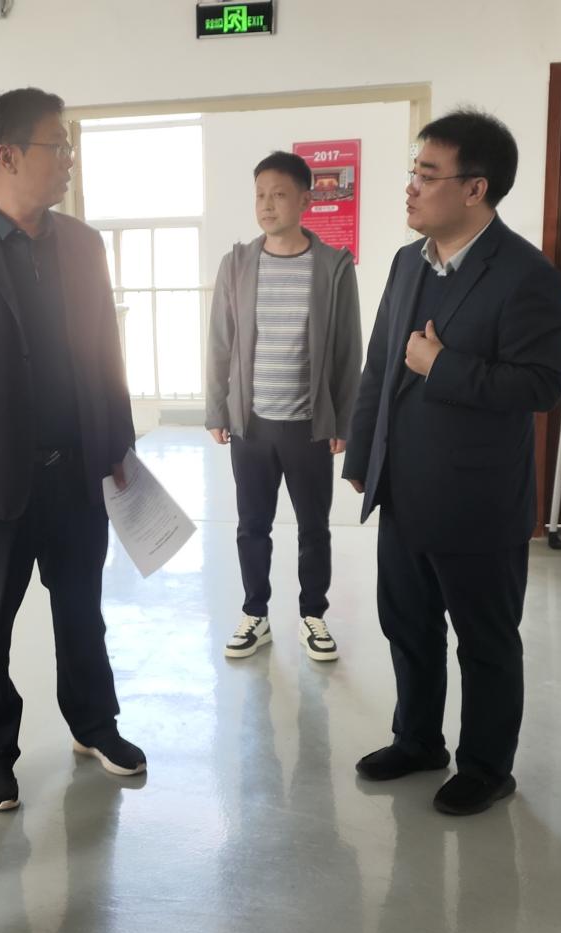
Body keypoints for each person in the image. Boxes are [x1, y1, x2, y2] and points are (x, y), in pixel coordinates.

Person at [0, 87, 144, 812]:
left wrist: (118, 440)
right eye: (57, 146)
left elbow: (105, 350)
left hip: (75, 469)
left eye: (69, 147)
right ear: (8, 155)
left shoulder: (82, 244)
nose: (68, 159)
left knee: (82, 610)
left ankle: (94, 725)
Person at [342, 108, 561, 816]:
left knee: (484, 640)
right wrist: (363, 450)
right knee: (407, 626)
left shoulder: (525, 274)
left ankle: (486, 767)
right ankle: (417, 741)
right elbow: (382, 363)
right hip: (403, 489)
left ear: (475, 189)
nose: (411, 188)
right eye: (413, 172)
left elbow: (540, 386)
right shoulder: (406, 262)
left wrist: (442, 366)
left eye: (428, 175)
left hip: (477, 499)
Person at [205, 150, 361, 662]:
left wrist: (344, 419)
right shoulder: (237, 264)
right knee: (252, 525)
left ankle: (313, 614)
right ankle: (256, 614)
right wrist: (217, 409)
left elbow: (348, 349)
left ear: (305, 200)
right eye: (259, 195)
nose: (267, 205)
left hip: (308, 426)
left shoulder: (333, 266)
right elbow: (220, 342)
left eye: (278, 194)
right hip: (251, 425)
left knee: (314, 527)